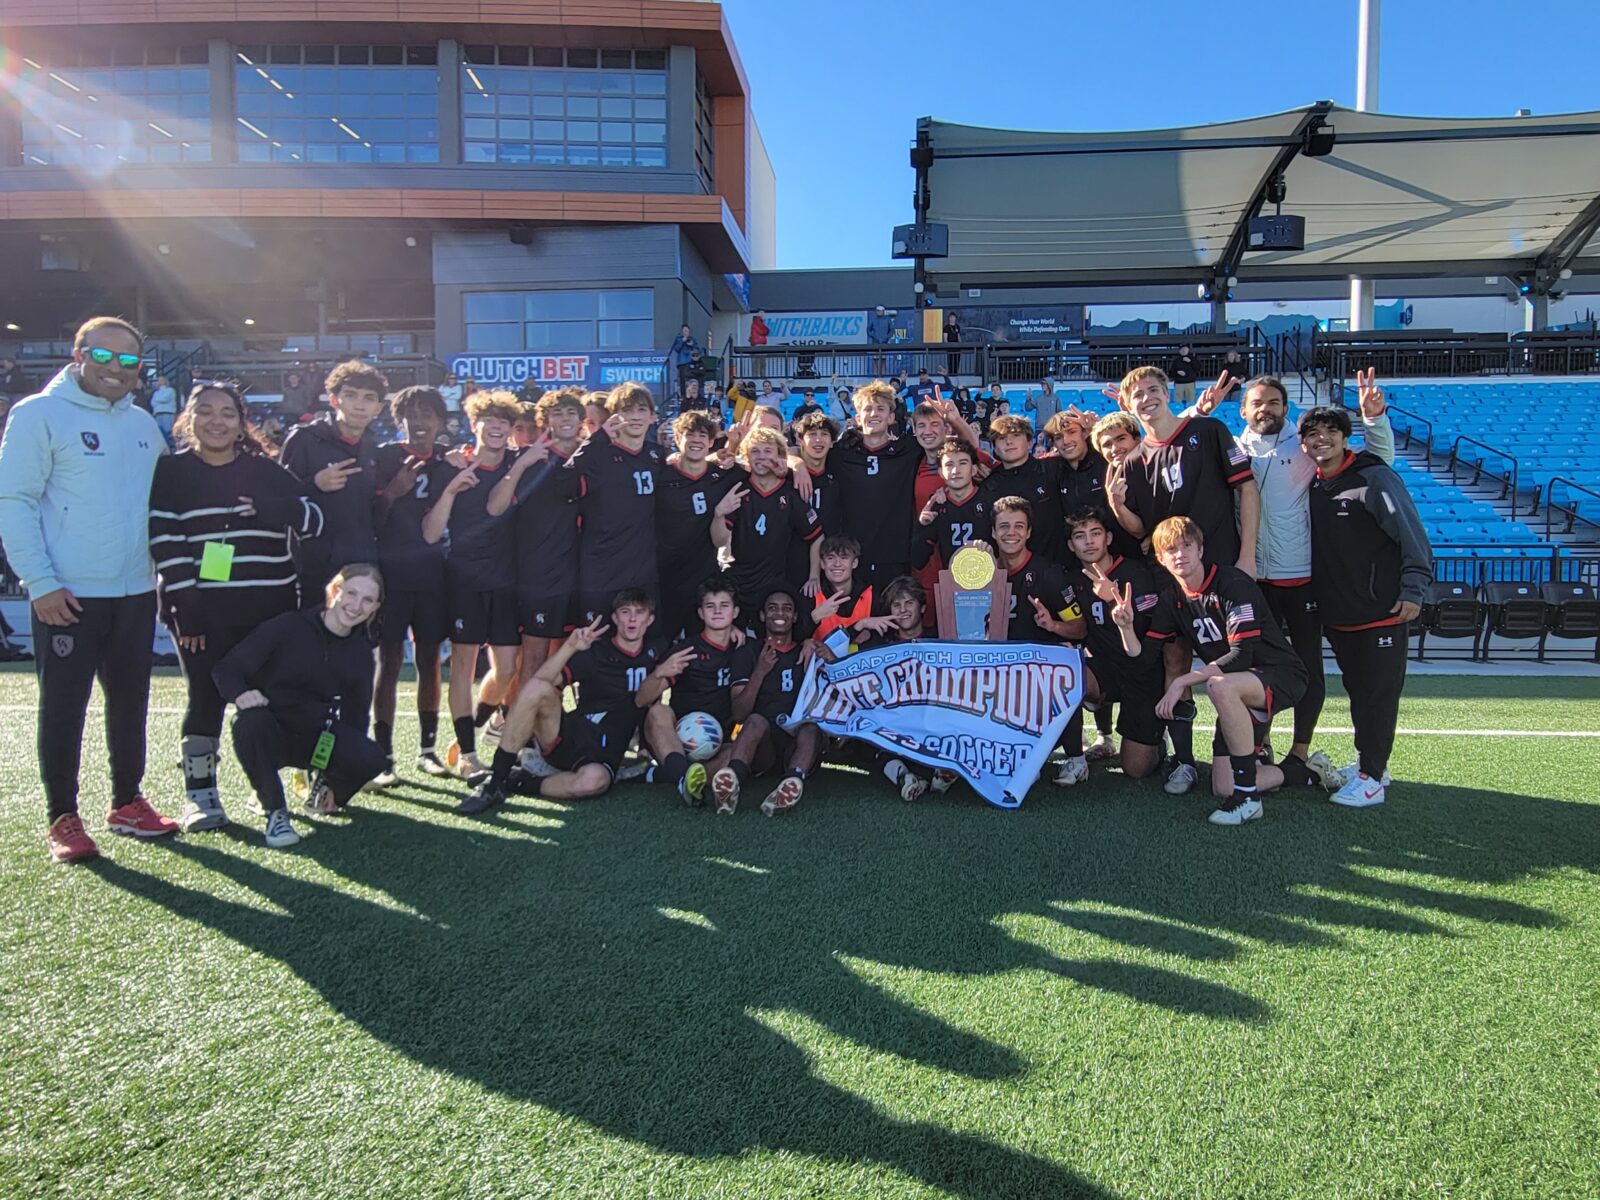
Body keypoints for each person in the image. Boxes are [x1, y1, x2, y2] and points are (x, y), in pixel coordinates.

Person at [0, 316, 176, 862]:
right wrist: (40, 582)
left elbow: (168, 502)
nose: (115, 370)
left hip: (134, 592)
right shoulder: (37, 414)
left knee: (130, 703)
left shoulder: (144, 423)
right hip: (68, 595)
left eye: (128, 362)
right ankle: (63, 816)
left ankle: (126, 801)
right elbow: (14, 501)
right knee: (64, 707)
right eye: (104, 356)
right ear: (78, 354)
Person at [1192, 370, 1394, 784]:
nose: (1265, 410)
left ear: (1285, 408)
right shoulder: (1228, 444)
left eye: (1273, 403)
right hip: (1250, 578)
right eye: (1256, 403)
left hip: (1299, 576)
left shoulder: (1303, 444)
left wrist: (1374, 420)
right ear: (1243, 410)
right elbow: (1178, 447)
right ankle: (1256, 743)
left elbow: (1377, 463)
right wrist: (1197, 411)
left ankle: (1300, 751)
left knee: (1306, 668)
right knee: (1251, 666)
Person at [150, 380, 325, 830]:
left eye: (227, 412)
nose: (217, 421)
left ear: (240, 422)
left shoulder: (264, 470)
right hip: (202, 615)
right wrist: (186, 608)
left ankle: (263, 789)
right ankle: (201, 797)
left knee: (266, 702)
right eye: (205, 411)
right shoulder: (170, 472)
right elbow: (166, 543)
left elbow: (315, 519)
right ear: (189, 419)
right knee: (205, 697)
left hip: (271, 613)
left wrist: (273, 509)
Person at [457, 592, 703, 813]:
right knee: (538, 687)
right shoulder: (597, 651)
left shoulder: (658, 650)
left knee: (594, 782)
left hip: (609, 746)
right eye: (625, 612)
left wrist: (733, 633)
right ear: (615, 618)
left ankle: (517, 781)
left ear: (649, 620)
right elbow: (540, 683)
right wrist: (570, 648)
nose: (632, 619)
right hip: (573, 734)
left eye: (639, 613)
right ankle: (496, 780)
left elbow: (642, 699)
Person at [1302, 404, 1432, 809]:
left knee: (1378, 695)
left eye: (1330, 432)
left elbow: (1412, 535)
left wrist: (1414, 589)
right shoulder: (1315, 485)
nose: (1321, 440)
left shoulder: (1375, 479)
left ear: (1345, 437)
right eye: (1312, 434)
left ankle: (1372, 777)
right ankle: (1372, 764)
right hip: (1341, 614)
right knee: (1360, 693)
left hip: (1382, 611)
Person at [1142, 517, 1308, 827]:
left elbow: (1242, 656)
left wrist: (1183, 681)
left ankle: (1247, 797)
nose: (1180, 554)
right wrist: (1124, 627)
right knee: (1221, 785)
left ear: (1201, 549)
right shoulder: (1172, 599)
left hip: (1280, 674)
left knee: (1219, 686)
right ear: (1160, 560)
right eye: (1171, 549)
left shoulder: (1231, 583)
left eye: (1187, 546)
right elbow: (1145, 658)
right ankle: (1305, 771)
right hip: (1238, 684)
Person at [213, 563, 387, 848]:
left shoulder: (360, 653)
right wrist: (241, 694)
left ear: (374, 608)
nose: (356, 605)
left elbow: (356, 720)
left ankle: (321, 791)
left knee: (372, 757)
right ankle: (274, 811)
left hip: (316, 739)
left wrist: (335, 781)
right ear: (335, 591)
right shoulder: (288, 627)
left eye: (367, 600)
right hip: (272, 730)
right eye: (351, 593)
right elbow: (227, 669)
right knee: (248, 721)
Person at [422, 390, 522, 778]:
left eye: (504, 423)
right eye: (489, 421)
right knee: (463, 667)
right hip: (463, 579)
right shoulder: (451, 467)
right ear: (473, 424)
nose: (496, 428)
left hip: (506, 582)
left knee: (508, 668)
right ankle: (467, 753)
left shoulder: (516, 462)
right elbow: (430, 533)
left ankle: (473, 730)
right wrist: (450, 486)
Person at [371, 386, 455, 782]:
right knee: (387, 663)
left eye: (427, 413)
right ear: (398, 418)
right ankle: (384, 755)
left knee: (429, 663)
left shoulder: (448, 462)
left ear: (440, 421)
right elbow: (365, 517)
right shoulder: (384, 457)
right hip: (391, 574)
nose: (419, 421)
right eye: (410, 413)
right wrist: (391, 493)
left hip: (433, 575)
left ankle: (427, 749)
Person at [1106, 365, 1259, 573]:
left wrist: (1247, 557)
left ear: (1167, 395)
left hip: (1221, 566)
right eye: (1137, 395)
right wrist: (1117, 506)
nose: (1146, 398)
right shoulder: (1132, 462)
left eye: (1153, 390)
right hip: (1170, 576)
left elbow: (1248, 489)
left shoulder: (1210, 431)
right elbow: (1140, 530)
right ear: (1128, 406)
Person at [987, 496, 1090, 785]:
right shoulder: (982, 573)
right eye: (1004, 526)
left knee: (1064, 661)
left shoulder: (1049, 575)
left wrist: (1052, 624)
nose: (1011, 532)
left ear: (1029, 532)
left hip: (1038, 671)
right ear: (993, 532)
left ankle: (1075, 758)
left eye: (1019, 526)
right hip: (997, 670)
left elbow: (1080, 628)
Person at [1062, 508, 1167, 781]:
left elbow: (1149, 639)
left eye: (1095, 533)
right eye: (1080, 536)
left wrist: (1113, 600)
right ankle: (1076, 755)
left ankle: (1158, 738)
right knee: (1066, 673)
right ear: (1071, 546)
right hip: (1103, 670)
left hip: (1141, 673)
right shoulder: (1073, 581)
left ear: (1108, 538)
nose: (1089, 542)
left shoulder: (1135, 573)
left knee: (1136, 769)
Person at [487, 387, 584, 684]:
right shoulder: (531, 459)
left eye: (571, 412)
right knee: (533, 661)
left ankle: (550, 730)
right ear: (546, 421)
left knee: (562, 665)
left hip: (582, 577)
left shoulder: (591, 456)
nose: (565, 419)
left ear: (581, 419)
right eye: (558, 413)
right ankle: (519, 728)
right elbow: (495, 507)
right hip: (539, 577)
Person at [707, 586, 824, 816]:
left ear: (795, 616)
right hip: (762, 748)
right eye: (772, 608)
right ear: (762, 615)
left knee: (811, 728)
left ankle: (791, 784)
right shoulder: (748, 652)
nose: (779, 614)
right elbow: (739, 713)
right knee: (755, 720)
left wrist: (824, 653)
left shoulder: (807, 652)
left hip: (797, 745)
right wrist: (760, 672)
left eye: (786, 609)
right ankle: (732, 782)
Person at [280, 360, 388, 605]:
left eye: (368, 398)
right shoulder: (304, 438)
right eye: (351, 396)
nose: (360, 405)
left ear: (378, 408)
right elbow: (278, 499)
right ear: (334, 400)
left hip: (362, 565)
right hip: (314, 570)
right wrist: (313, 484)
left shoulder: (372, 446)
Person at [567, 382, 666, 624]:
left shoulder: (658, 456)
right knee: (593, 649)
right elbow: (562, 483)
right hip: (600, 574)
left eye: (641, 410)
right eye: (627, 410)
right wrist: (595, 441)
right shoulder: (596, 454)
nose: (634, 417)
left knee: (643, 649)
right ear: (614, 416)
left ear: (653, 416)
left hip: (643, 574)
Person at [712, 426, 822, 623]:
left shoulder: (790, 494)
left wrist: (814, 576)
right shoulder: (739, 489)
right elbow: (719, 540)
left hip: (772, 589)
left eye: (767, 451)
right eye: (755, 451)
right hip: (736, 585)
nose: (761, 457)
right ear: (746, 457)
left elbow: (816, 536)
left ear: (781, 456)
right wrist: (719, 514)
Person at [822, 381, 925, 586]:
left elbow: (955, 446)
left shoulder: (909, 450)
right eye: (867, 409)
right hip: (852, 558)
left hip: (896, 557)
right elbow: (799, 453)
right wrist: (796, 465)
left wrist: (953, 419)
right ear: (858, 417)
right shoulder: (840, 454)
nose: (874, 414)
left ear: (891, 417)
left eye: (880, 408)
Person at [655, 409, 743, 641]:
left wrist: (798, 466)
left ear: (711, 441)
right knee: (661, 650)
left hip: (703, 582)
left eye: (702, 435)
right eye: (688, 434)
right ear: (676, 439)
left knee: (702, 652)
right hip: (663, 581)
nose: (696, 440)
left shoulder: (721, 475)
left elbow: (765, 467)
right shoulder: (660, 475)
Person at [978, 414, 1074, 565]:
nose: (1009, 442)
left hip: (1058, 568)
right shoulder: (989, 485)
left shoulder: (1054, 468)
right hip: (1013, 575)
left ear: (1030, 443)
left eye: (1015, 435)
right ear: (994, 447)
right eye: (1002, 438)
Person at [670, 325, 701, 399]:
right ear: (682, 331)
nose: (685, 332)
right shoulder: (678, 339)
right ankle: (684, 396)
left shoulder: (692, 339)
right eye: (684, 331)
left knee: (691, 379)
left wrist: (692, 345)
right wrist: (682, 341)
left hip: (691, 362)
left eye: (687, 331)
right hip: (682, 363)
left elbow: (698, 350)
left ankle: (693, 394)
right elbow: (676, 349)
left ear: (689, 332)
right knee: (683, 380)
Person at [148, 374, 178, 447]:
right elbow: (152, 403)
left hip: (168, 413)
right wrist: (158, 401)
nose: (160, 381)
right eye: (159, 380)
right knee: (160, 432)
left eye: (161, 380)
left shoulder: (170, 390)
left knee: (168, 432)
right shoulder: (156, 392)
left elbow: (165, 398)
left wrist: (157, 400)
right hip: (158, 413)